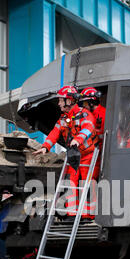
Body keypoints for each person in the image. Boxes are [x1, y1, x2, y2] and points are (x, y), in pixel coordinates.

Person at [33, 85, 98, 221]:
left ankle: (88, 215)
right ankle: (72, 214)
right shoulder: (64, 118)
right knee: (71, 183)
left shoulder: (85, 114)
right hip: (73, 156)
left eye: (61, 100)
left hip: (87, 155)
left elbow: (89, 128)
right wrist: (46, 147)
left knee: (87, 184)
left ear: (69, 100)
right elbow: (54, 133)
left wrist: (77, 140)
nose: (59, 103)